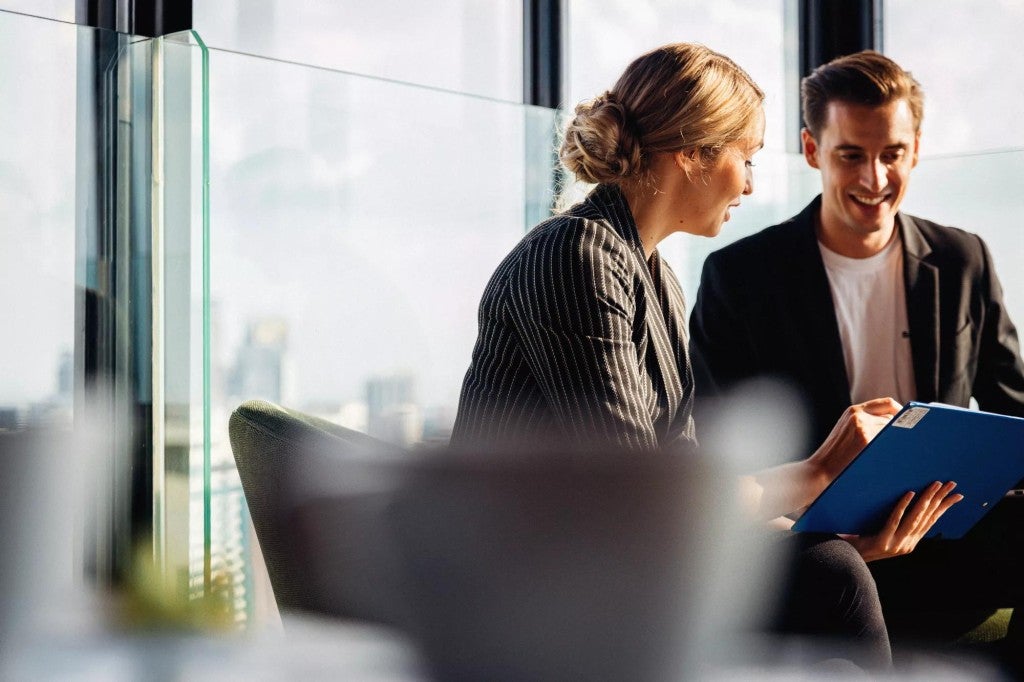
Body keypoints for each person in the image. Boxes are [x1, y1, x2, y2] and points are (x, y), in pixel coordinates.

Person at [451, 43, 961, 670]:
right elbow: (649, 502)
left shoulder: (654, 277)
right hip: (531, 584)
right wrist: (820, 470)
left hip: (618, 567)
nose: (750, 183)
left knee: (831, 561)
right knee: (830, 576)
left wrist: (823, 529)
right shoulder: (575, 255)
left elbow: (686, 481)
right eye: (744, 158)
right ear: (691, 153)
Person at [689, 50, 1024, 657]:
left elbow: (1014, 407)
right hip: (819, 550)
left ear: (915, 149)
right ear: (813, 150)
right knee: (828, 567)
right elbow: (721, 446)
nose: (874, 179)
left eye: (892, 154)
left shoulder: (963, 259)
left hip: (946, 540)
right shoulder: (740, 277)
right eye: (851, 155)